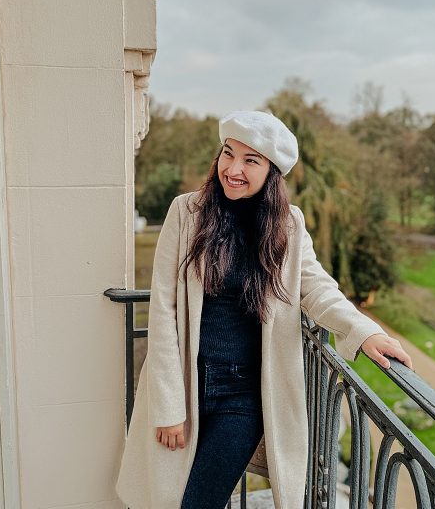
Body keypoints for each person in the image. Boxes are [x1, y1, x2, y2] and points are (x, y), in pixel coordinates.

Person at [114, 110, 413, 509]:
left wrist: (364, 330)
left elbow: (316, 287)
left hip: (244, 395)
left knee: (199, 502)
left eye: (250, 161)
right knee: (164, 498)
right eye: (228, 153)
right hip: (187, 382)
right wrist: (170, 407)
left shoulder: (287, 225)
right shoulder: (186, 212)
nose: (233, 169)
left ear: (272, 172)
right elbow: (164, 309)